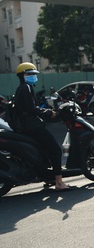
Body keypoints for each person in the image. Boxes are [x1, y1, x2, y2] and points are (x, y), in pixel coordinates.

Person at [14, 62, 74, 191]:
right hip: (32, 125)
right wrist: (48, 112)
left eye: (33, 74)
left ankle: (49, 177)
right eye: (29, 74)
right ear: (22, 75)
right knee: (55, 150)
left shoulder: (21, 88)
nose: (33, 76)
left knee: (45, 150)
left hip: (27, 125)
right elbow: (31, 109)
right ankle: (59, 182)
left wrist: (45, 109)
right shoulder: (26, 88)